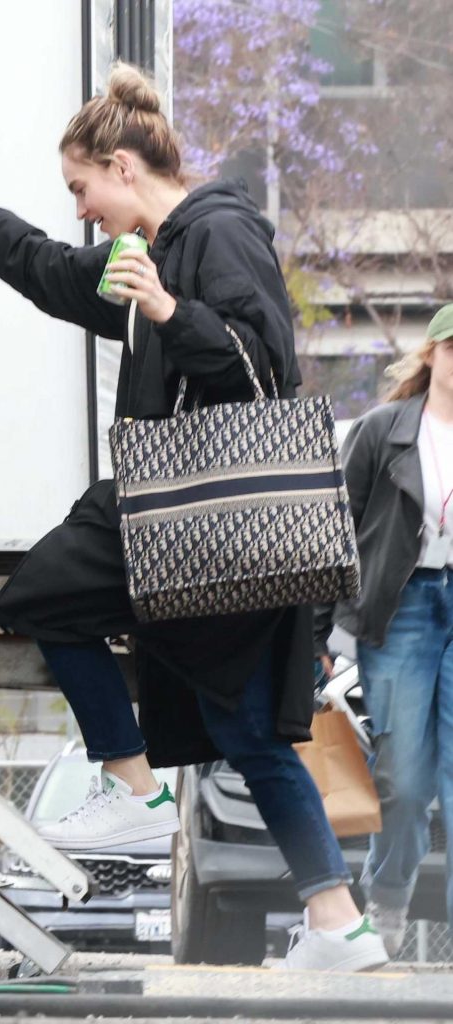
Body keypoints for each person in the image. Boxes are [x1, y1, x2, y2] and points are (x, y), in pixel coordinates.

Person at [0, 62, 388, 971]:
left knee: (43, 593)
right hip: (201, 539)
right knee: (249, 733)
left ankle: (133, 786)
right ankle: (341, 928)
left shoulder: (218, 236)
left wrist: (168, 310)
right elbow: (59, 274)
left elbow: (261, 375)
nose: (82, 210)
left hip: (198, 517)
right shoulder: (149, 251)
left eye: (83, 188)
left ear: (124, 167)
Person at [315, 303, 453, 957]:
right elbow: (335, 535)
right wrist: (316, 632)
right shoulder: (381, 432)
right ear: (430, 355)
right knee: (404, 777)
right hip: (401, 611)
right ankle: (389, 902)